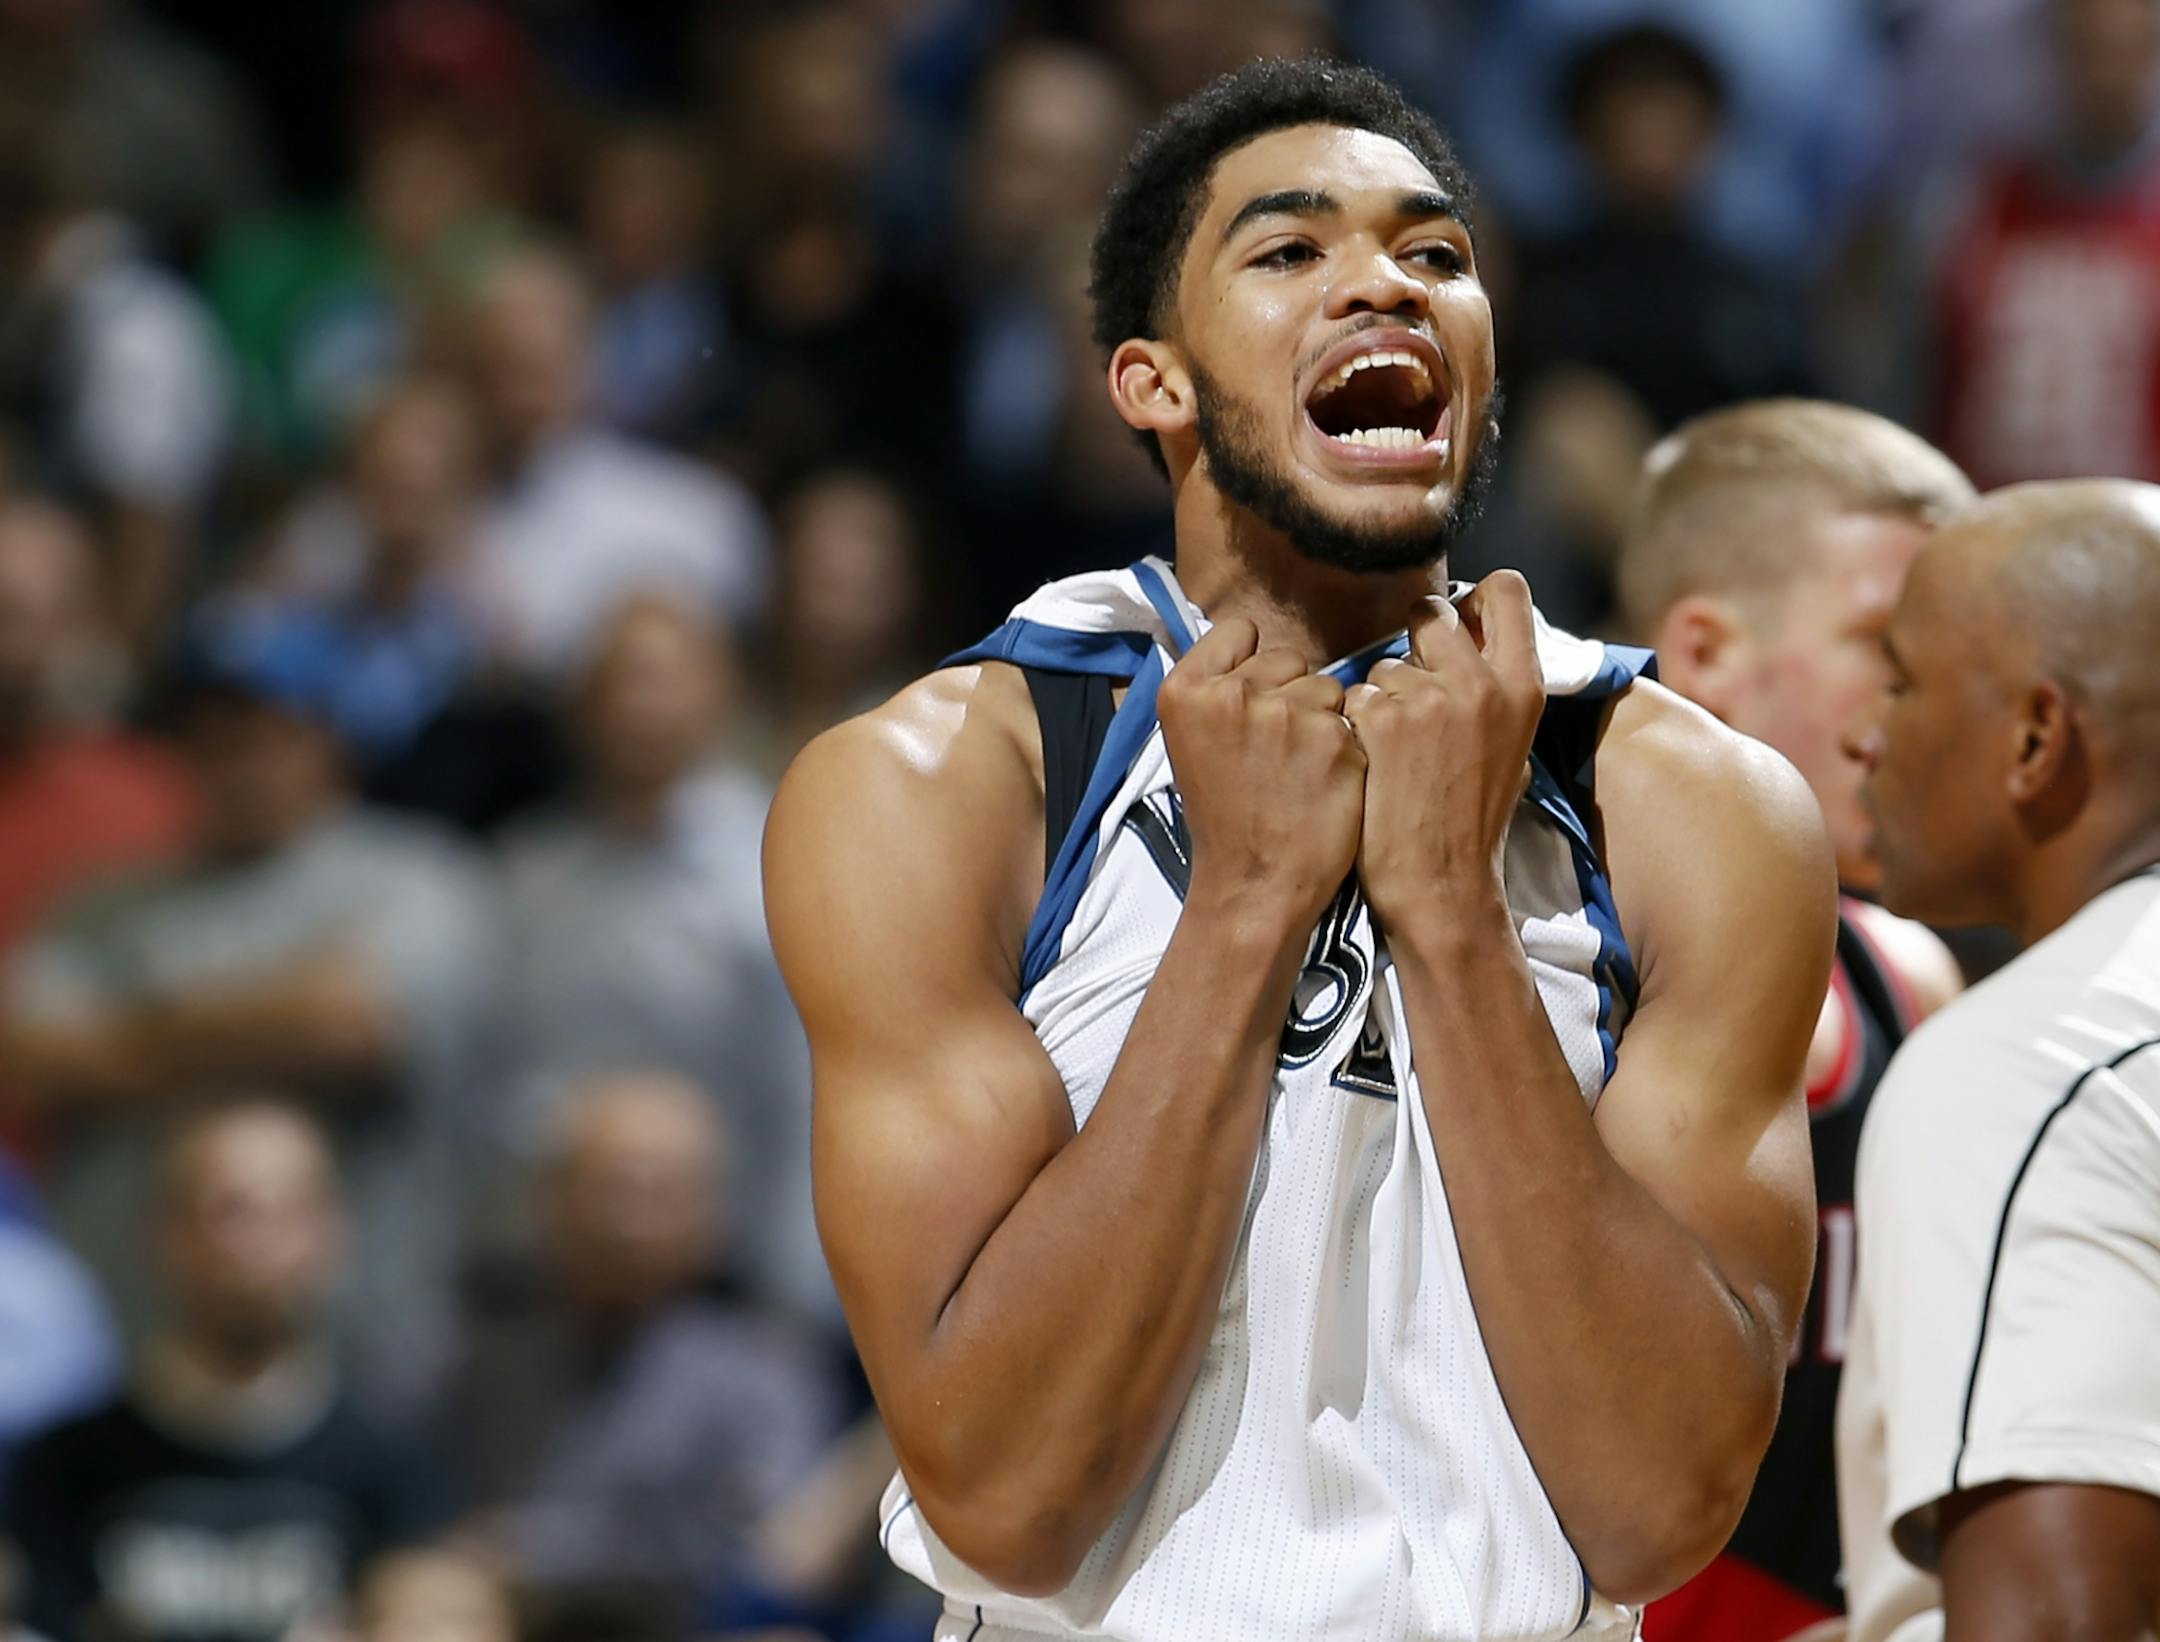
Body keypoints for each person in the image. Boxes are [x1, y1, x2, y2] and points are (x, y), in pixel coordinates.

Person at [765, 58, 1836, 1642]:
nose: (1386, 285)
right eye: (1290, 249)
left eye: (1437, 253)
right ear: (1155, 384)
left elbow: (1660, 1504)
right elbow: (1007, 1495)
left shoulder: (1692, 803)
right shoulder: (951, 784)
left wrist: (1452, 911)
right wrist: (1249, 902)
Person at [1617, 399, 1971, 1639]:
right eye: (1886, 643)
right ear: (1706, 651)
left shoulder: (1910, 976)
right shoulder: (1557, 970)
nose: (1934, 699)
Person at [2, 601, 497, 1385]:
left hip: (349, 1343)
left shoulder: (411, 876)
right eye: (211, 739)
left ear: (329, 742)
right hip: (128, 1343)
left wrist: (132, 1036)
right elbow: (31, 1057)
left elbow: (342, 1025)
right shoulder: (105, 901)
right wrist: (267, 1022)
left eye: (266, 735)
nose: (236, 763)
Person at [1836, 479, 2160, 1642]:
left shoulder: (2025, 1066)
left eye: (1902, 681)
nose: (1865, 734)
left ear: (2034, 737)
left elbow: (2063, 1622)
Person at [1, 1101, 450, 1642]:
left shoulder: (396, 1470)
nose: (254, 1242)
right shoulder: (62, 1468)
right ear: (165, 1232)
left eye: (286, 1211)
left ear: (334, 1231)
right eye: (228, 1210)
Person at [490, 596, 821, 1317]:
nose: (638, 706)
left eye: (663, 678)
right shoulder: (528, 876)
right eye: (618, 681)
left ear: (720, 693)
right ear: (581, 707)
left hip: (736, 1270)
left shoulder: (780, 859)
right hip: (556, 1269)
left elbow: (804, 1085)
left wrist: (798, 1287)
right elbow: (503, 1079)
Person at [431, 1072, 849, 1614]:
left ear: (711, 1213)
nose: (630, 1222)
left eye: (661, 1193)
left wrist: (548, 1555)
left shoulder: (767, 1367)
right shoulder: (474, 1354)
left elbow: (769, 1551)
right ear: (549, 1198)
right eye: (610, 1188)